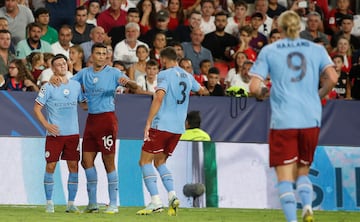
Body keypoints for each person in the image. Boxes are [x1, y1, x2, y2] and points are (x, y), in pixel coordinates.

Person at [249, 11, 338, 222]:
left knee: (285, 178)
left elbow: (254, 86)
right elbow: (333, 78)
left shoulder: (270, 50)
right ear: (300, 27)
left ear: (279, 28)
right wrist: (319, 96)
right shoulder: (316, 49)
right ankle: (307, 205)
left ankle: (292, 220)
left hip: (284, 120)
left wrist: (264, 93)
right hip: (311, 118)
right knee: (303, 172)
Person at [52, 42, 139, 214]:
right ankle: (92, 203)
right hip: (91, 121)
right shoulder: (84, 73)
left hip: (107, 120)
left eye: (103, 53)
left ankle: (113, 203)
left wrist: (128, 83)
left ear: (107, 56)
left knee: (108, 163)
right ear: (91, 56)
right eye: (97, 53)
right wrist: (54, 78)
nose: (101, 56)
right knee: (86, 162)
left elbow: (136, 86)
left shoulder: (114, 73)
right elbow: (68, 84)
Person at [136, 46, 208, 216]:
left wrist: (148, 121)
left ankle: (155, 202)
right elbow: (202, 90)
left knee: (144, 162)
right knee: (160, 162)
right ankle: (172, 196)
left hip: (161, 125)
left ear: (164, 60)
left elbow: (159, 97)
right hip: (178, 128)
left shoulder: (164, 75)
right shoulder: (188, 76)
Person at [33, 54, 87, 214]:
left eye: (64, 63)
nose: (62, 66)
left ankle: (71, 203)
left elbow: (84, 105)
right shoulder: (48, 87)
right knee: (51, 166)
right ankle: (49, 202)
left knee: (73, 167)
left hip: (73, 134)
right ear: (53, 68)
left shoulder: (76, 85)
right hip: (55, 135)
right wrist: (47, 125)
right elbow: (36, 108)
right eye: (58, 64)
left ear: (67, 65)